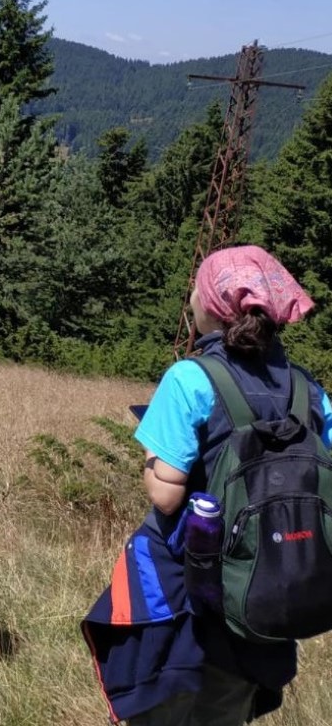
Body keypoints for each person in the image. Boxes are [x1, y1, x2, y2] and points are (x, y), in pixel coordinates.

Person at [83, 245, 327, 725]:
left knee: (165, 707)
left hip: (190, 591)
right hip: (270, 588)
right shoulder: (309, 389)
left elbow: (166, 494)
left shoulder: (190, 378)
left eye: (195, 287)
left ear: (212, 305)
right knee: (227, 710)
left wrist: (152, 459)